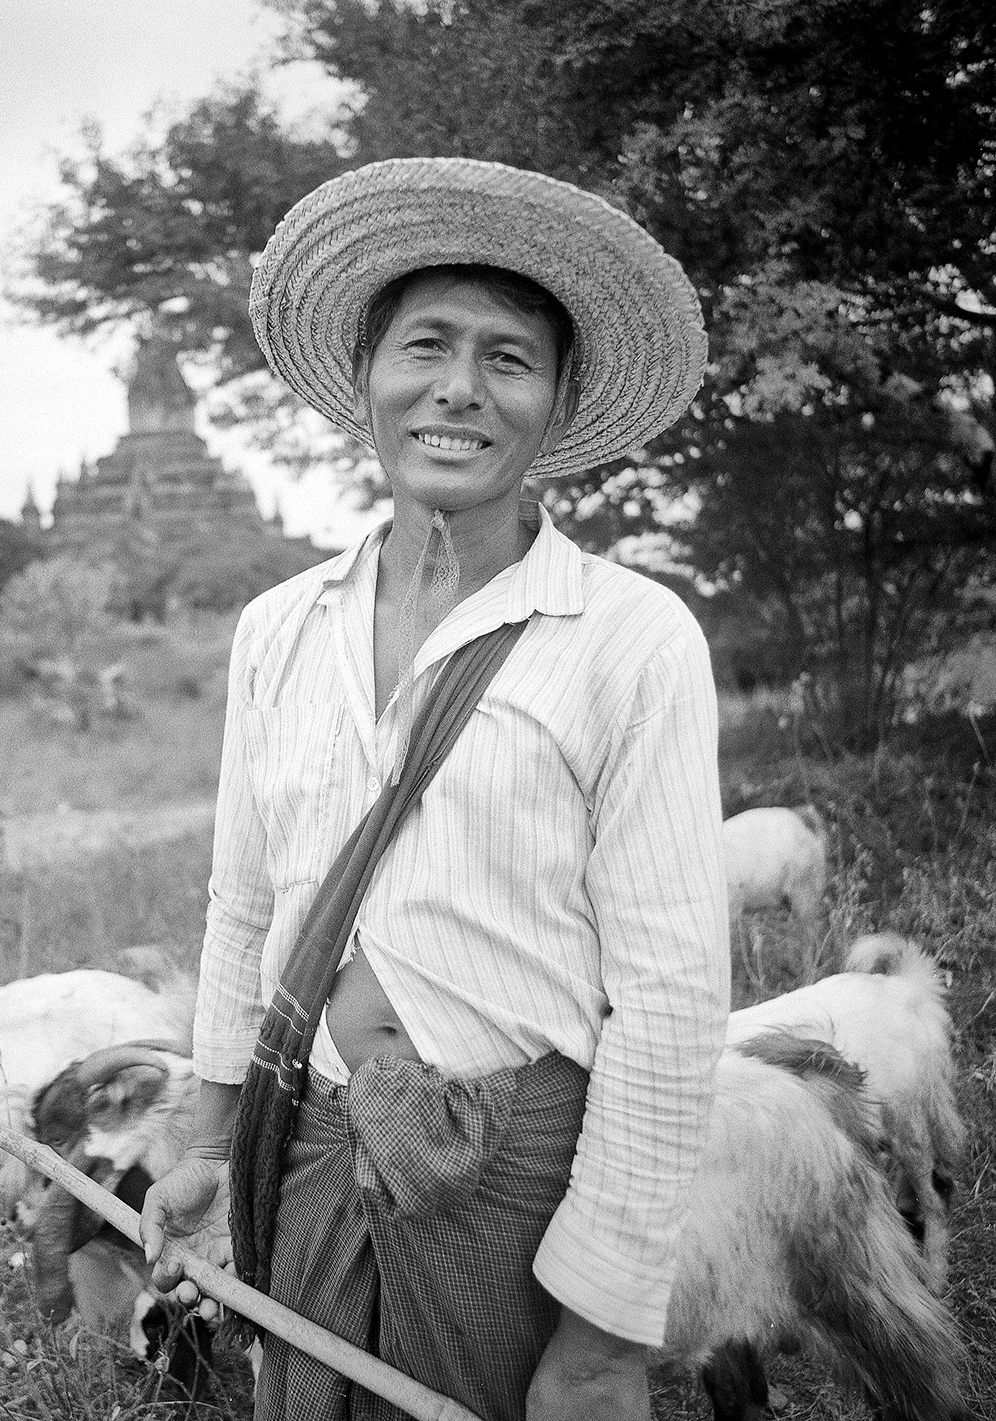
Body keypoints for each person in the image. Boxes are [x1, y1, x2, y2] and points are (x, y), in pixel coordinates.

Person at [140, 157, 730, 1421]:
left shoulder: (630, 636)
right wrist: (204, 1138)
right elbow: (242, 903)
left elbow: (671, 995)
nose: (458, 387)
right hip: (302, 1148)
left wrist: (601, 1337)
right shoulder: (276, 630)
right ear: (366, 380)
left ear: (556, 401)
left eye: (508, 358)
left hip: (513, 1179)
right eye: (425, 345)